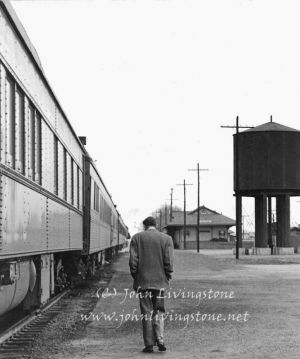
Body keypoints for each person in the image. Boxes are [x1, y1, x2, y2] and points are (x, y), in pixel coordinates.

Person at [129, 216, 174, 353]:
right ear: (156, 225)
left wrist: (136, 276)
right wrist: (167, 276)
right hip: (160, 282)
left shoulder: (137, 238)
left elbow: (133, 262)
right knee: (159, 311)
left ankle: (149, 344)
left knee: (146, 313)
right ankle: (160, 339)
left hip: (143, 283)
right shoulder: (166, 239)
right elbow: (169, 262)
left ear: (144, 226)